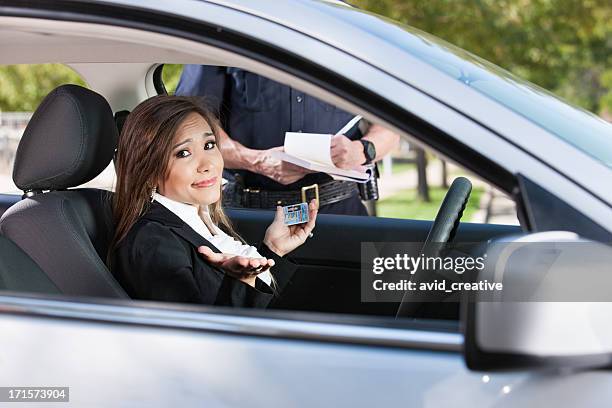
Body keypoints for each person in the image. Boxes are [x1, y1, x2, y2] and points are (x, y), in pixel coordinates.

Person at [109, 95, 317, 308]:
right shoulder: (153, 240)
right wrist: (239, 281)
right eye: (183, 153)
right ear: (149, 170)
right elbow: (194, 334)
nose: (207, 164)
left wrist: (273, 250)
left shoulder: (198, 218)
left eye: (209, 145)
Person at [175, 65, 401, 215]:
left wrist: (362, 150)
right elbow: (188, 122)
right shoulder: (231, 22)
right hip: (250, 214)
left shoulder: (347, 30)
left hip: (342, 211)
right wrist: (257, 161)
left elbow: (392, 124)